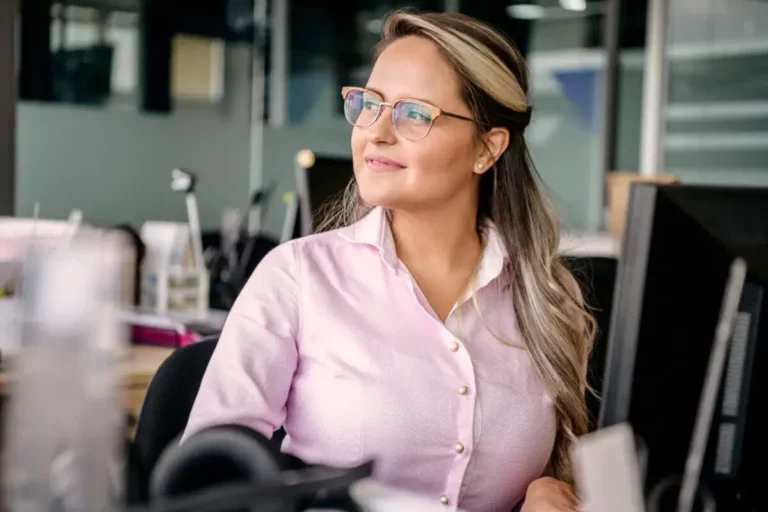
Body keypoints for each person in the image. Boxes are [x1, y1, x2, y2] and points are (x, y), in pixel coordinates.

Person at [183, 10, 595, 512]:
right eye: (368, 105)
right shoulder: (298, 277)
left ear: (487, 148)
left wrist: (551, 488)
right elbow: (205, 482)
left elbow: (565, 461)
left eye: (414, 114)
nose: (375, 133)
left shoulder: (549, 298)